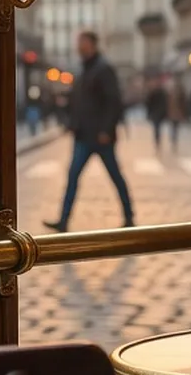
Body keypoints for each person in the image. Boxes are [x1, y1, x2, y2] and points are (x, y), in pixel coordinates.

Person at [43, 31, 134, 232]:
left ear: (92, 44)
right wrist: (70, 122)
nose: (78, 46)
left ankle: (129, 217)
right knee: (73, 176)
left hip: (101, 137)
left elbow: (113, 102)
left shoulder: (103, 69)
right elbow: (79, 101)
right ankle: (64, 220)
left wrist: (106, 129)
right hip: (83, 135)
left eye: (82, 43)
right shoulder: (84, 70)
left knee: (115, 176)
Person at [144, 79, 169, 150]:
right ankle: (157, 140)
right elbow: (148, 104)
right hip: (156, 113)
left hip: (158, 113)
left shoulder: (160, 93)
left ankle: (157, 140)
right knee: (157, 127)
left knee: (157, 127)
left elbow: (148, 104)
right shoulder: (155, 93)